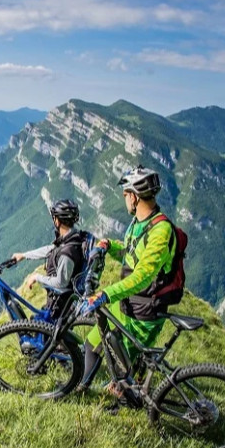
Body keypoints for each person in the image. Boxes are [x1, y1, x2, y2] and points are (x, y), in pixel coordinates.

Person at [77, 165, 177, 393]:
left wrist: (105, 294)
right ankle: (82, 387)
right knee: (93, 343)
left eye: (125, 194)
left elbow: (143, 276)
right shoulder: (138, 223)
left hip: (145, 312)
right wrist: (109, 245)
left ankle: (127, 403)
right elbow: (130, 252)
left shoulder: (161, 231)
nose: (124, 199)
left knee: (124, 373)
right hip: (127, 303)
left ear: (134, 196)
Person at [11, 199, 86, 321]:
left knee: (34, 331)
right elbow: (51, 250)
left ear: (57, 220)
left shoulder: (68, 252)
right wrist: (24, 255)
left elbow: (61, 283)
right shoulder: (72, 238)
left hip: (59, 307)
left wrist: (37, 277)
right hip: (59, 303)